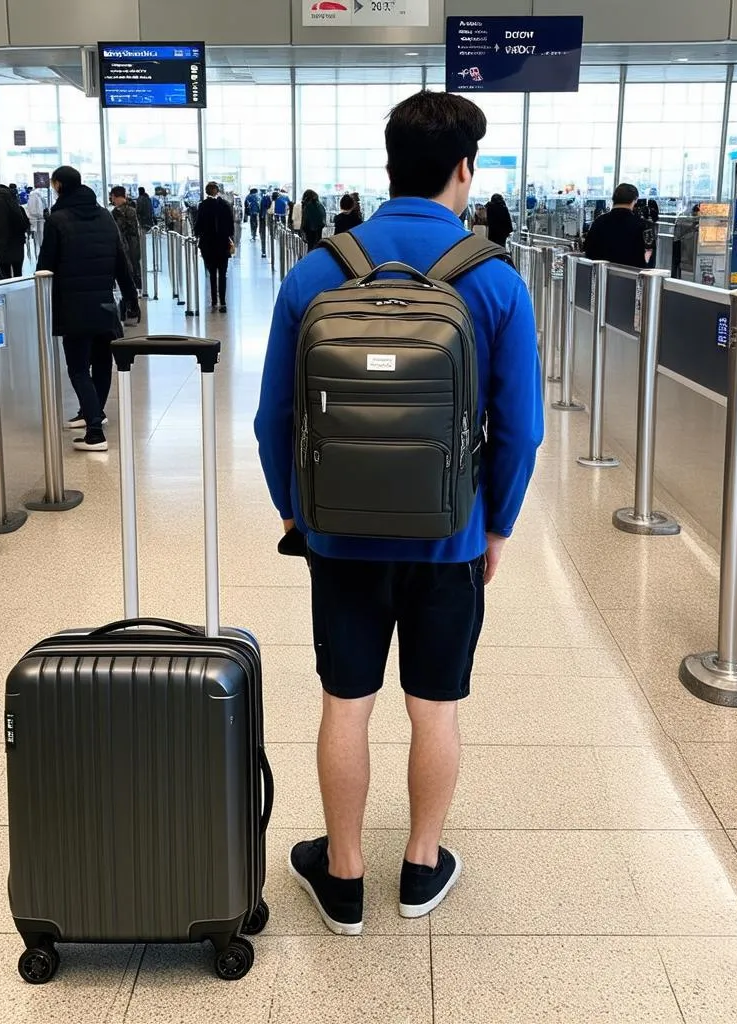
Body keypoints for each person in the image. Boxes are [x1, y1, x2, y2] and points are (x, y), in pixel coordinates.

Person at [254, 89, 543, 936]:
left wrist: (298, 514)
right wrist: (494, 528)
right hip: (449, 537)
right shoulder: (492, 279)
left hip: (339, 536)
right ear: (465, 169)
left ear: (389, 166)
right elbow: (518, 431)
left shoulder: (316, 271)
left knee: (347, 702)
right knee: (435, 706)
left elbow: (275, 420)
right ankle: (420, 868)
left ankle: (343, 879)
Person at [37, 165, 138, 453]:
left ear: (58, 185)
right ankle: (92, 413)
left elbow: (45, 266)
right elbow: (121, 261)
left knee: (79, 367)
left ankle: (95, 431)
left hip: (73, 306)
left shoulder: (57, 220)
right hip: (105, 304)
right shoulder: (105, 215)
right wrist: (131, 298)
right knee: (103, 362)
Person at [583, 183, 650, 268]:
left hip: (601, 274)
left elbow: (588, 251)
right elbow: (648, 252)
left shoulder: (599, 222)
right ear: (635, 200)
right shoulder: (641, 224)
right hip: (631, 276)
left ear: (613, 199)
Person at [194, 181, 234, 313]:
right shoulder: (225, 205)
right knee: (222, 273)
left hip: (208, 245)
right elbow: (230, 227)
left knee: (212, 273)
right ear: (217, 190)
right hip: (222, 245)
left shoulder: (203, 206)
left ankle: (214, 300)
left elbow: (198, 226)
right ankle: (223, 301)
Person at [0, 183, 30, 278]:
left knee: (5, 276)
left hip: (1, 248)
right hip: (17, 247)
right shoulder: (16, 206)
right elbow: (24, 224)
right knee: (18, 275)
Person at [109, 185, 142, 296]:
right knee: (133, 267)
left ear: (114, 196)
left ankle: (133, 293)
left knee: (129, 269)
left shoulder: (119, 212)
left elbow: (121, 229)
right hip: (133, 244)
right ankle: (137, 291)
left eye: (112, 197)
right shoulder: (132, 208)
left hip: (126, 245)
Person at [673, 203, 701, 279]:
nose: (696, 217)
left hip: (679, 242)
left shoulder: (684, 218)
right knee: (677, 262)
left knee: (676, 263)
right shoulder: (686, 219)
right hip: (680, 243)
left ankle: (676, 277)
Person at [26, 187, 46, 253]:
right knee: (40, 235)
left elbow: (30, 209)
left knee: (36, 236)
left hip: (34, 219)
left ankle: (39, 250)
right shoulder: (39, 196)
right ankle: (41, 249)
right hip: (40, 218)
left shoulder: (32, 196)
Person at [259, 189, 273, 257]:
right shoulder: (269, 198)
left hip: (263, 218)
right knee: (268, 236)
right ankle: (265, 251)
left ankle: (264, 251)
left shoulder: (264, 198)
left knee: (264, 235)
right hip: (269, 219)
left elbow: (261, 209)